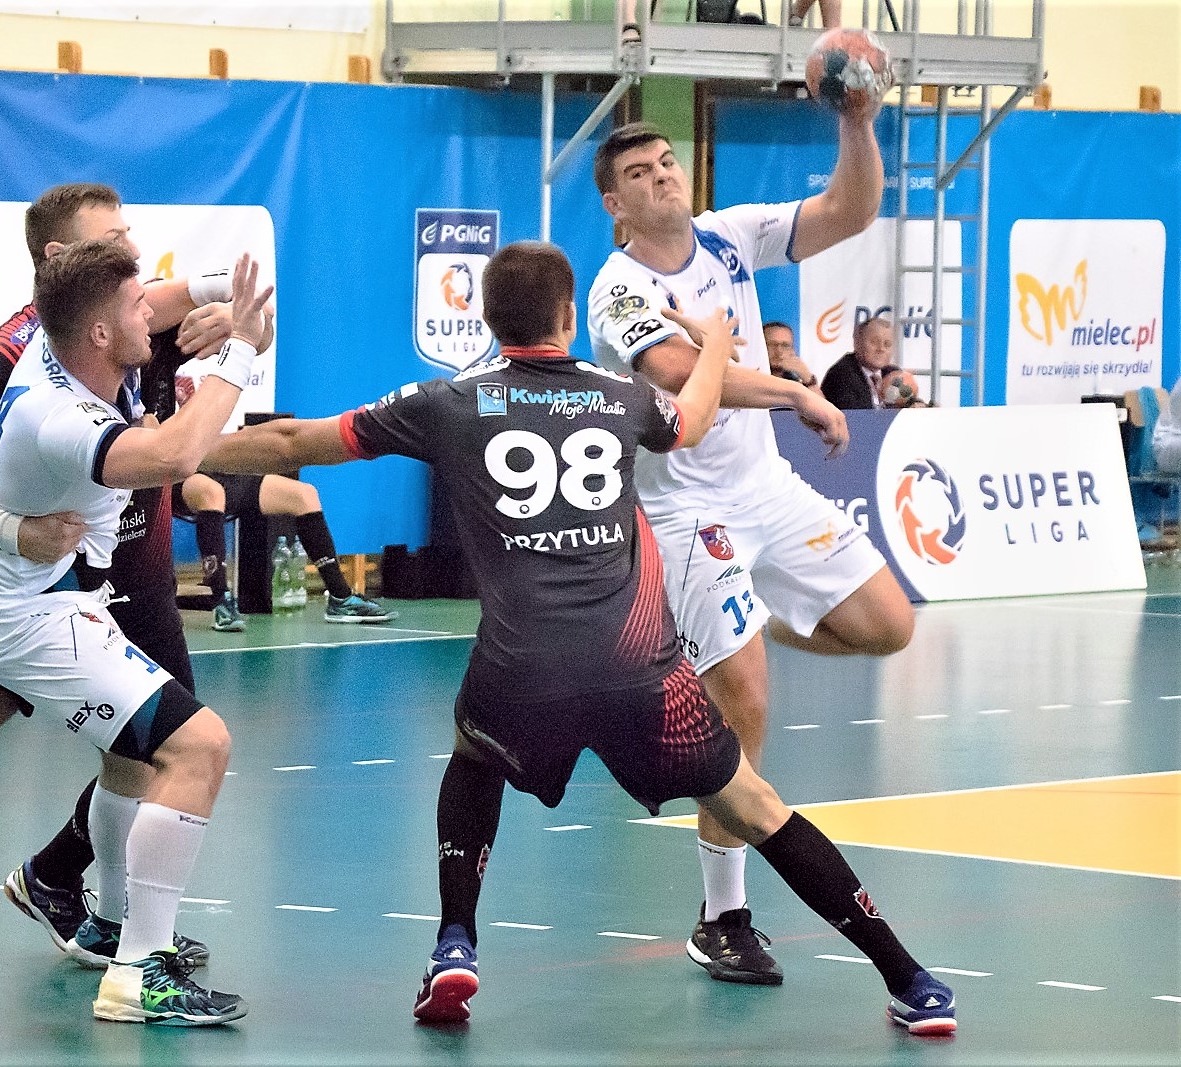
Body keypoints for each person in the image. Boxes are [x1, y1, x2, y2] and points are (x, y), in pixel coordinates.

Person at [202, 241, 956, 1036]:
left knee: (475, 756)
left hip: (520, 667)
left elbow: (290, 443)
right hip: (642, 673)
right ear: (569, 318)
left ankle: (455, 940)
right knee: (756, 806)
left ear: (486, 318)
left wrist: (180, 451)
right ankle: (911, 980)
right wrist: (715, 345)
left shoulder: (445, 401)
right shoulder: (620, 395)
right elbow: (695, 419)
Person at [0, 184, 263, 986]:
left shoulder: (126, 311)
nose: (136, 259)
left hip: (129, 575)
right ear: (65, 263)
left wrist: (227, 309)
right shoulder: (7, 358)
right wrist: (12, 530)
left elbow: (215, 292)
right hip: (36, 584)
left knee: (148, 753)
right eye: (116, 244)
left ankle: (90, 901)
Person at [586, 119, 915, 986]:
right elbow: (676, 371)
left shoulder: (730, 234)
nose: (663, 175)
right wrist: (794, 392)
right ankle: (722, 916)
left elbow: (850, 209)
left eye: (667, 161)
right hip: (684, 510)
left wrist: (855, 120)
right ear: (615, 204)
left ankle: (747, 624)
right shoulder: (617, 288)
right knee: (746, 702)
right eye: (639, 173)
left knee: (889, 626)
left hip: (766, 489)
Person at [165, 352, 397, 629]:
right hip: (178, 472)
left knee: (303, 494)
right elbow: (153, 436)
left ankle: (340, 598)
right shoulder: (165, 370)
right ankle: (221, 601)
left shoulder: (230, 364)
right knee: (212, 492)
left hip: (222, 463)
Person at [821, 315, 895, 410]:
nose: (881, 349)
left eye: (887, 344)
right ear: (857, 343)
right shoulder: (842, 374)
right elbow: (857, 414)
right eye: (874, 342)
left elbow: (907, 405)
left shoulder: (892, 373)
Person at [763, 321, 820, 392]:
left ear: (792, 351)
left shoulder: (795, 384)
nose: (779, 351)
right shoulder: (752, 378)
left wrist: (808, 379)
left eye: (785, 345)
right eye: (772, 344)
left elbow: (819, 399)